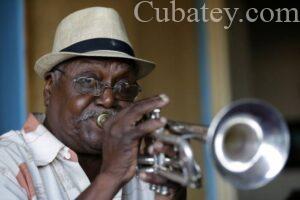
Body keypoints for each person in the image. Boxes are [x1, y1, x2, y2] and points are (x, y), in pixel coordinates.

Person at [0, 7, 186, 200]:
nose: (108, 99)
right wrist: (112, 176)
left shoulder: (146, 166)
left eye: (123, 86)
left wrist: (172, 193)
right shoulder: (6, 163)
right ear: (49, 88)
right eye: (88, 82)